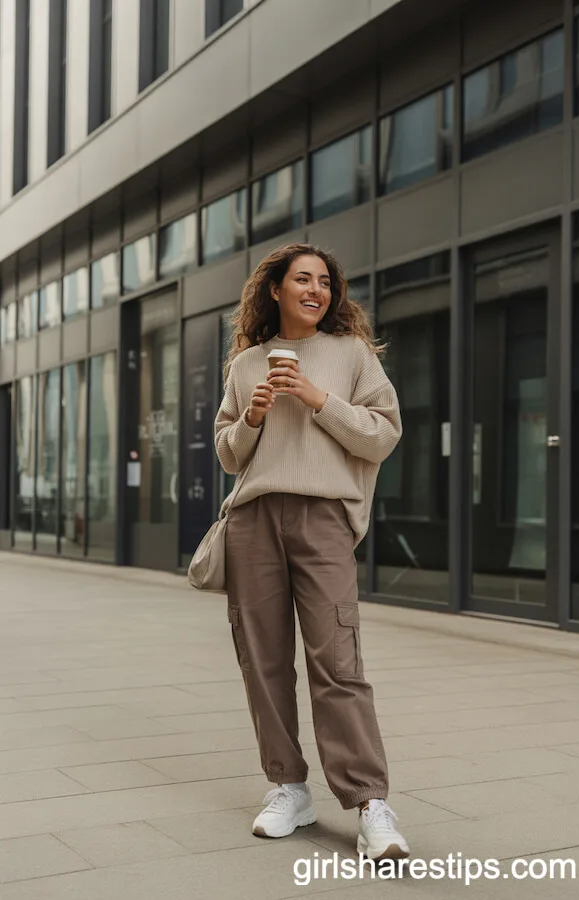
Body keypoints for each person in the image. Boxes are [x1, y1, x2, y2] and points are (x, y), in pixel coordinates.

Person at [214, 242, 409, 862]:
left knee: (338, 662)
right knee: (263, 662)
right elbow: (227, 450)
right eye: (302, 279)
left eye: (325, 281)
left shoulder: (352, 356)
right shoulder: (245, 364)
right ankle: (289, 788)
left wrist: (316, 398)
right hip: (253, 521)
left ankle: (370, 801)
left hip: (324, 516)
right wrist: (252, 416)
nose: (316, 290)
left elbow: (382, 435)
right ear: (275, 289)